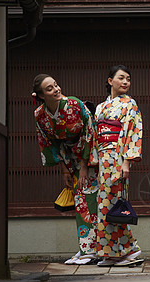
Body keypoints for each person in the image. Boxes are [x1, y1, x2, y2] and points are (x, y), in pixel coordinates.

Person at [32, 74, 99, 265]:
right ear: (41, 95)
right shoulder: (40, 115)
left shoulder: (75, 105)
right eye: (50, 89)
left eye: (56, 85)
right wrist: (64, 169)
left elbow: (90, 130)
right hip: (69, 158)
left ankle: (89, 250)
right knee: (82, 201)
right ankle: (86, 248)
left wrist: (85, 165)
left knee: (88, 200)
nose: (57, 89)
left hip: (90, 156)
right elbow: (48, 142)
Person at [90, 65, 144, 267]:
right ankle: (118, 251)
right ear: (109, 80)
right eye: (121, 78)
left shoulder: (129, 104)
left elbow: (133, 131)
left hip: (117, 157)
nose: (125, 82)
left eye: (128, 79)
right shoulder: (101, 107)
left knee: (112, 204)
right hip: (103, 157)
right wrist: (94, 161)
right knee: (106, 205)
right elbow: (95, 135)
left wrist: (126, 162)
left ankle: (123, 250)